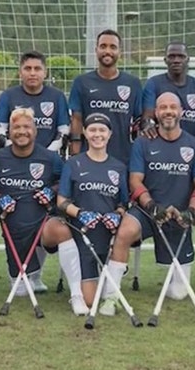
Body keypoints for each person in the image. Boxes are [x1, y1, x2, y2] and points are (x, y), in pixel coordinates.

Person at [99, 93, 195, 315]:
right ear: (156, 113)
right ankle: (111, 295)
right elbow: (135, 180)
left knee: (179, 292)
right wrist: (151, 207)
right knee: (124, 231)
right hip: (148, 212)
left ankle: (171, 279)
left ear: (181, 112)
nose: (168, 111)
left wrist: (191, 211)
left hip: (179, 217)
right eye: (162, 107)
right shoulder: (143, 143)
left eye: (173, 107)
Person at [0, 108, 76, 307]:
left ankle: (76, 291)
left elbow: (63, 185)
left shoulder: (51, 158)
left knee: (59, 227)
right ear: (9, 132)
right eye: (16, 127)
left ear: (35, 131)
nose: (22, 131)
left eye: (27, 127)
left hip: (42, 222)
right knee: (20, 292)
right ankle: (24, 272)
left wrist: (52, 191)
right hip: (13, 226)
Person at [56, 112, 128, 315]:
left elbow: (123, 203)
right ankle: (79, 292)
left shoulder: (119, 167)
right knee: (90, 300)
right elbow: (61, 201)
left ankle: (112, 294)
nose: (98, 134)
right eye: (93, 130)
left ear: (110, 134)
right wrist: (80, 213)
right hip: (83, 234)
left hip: (107, 234)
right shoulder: (73, 163)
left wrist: (118, 214)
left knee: (104, 298)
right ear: (86, 133)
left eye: (102, 130)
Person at [68, 29, 142, 164]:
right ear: (96, 50)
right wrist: (76, 150)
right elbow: (76, 118)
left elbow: (139, 121)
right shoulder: (82, 82)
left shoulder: (133, 83)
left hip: (122, 157)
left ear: (120, 52)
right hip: (88, 156)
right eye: (103, 46)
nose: (107, 51)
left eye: (113, 47)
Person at [0, 51, 70, 151]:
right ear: (20, 73)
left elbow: (64, 131)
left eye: (37, 69)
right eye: (28, 69)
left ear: (45, 73)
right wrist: (18, 152)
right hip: (15, 157)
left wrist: (46, 154)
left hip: (48, 157)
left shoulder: (57, 96)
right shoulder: (7, 96)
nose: (32, 73)